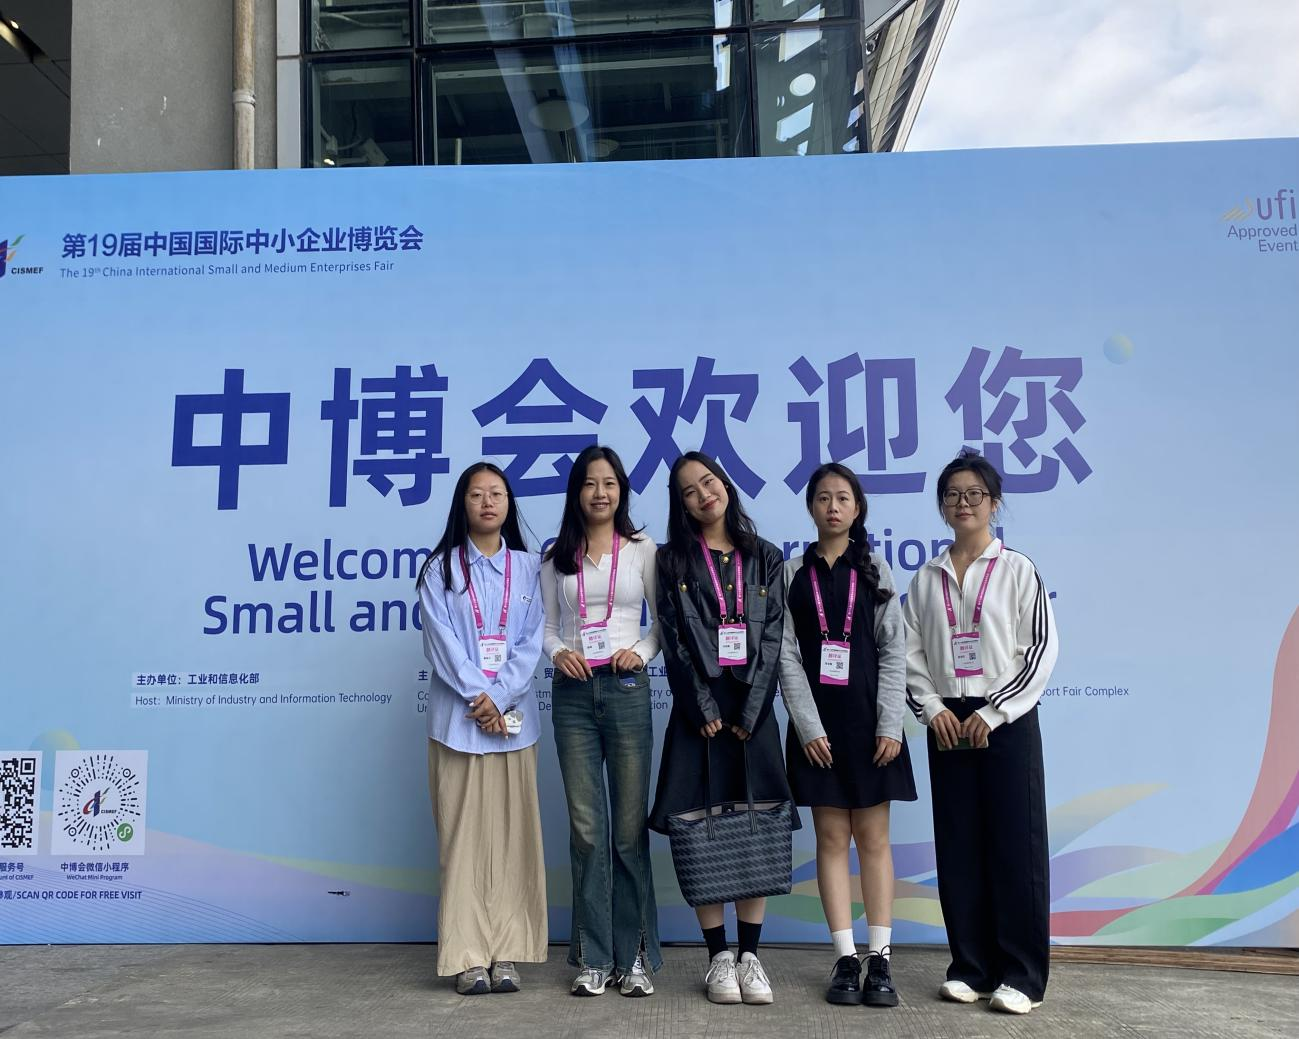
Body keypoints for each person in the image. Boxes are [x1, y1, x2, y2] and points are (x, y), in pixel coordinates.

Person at [903, 448, 1059, 1015]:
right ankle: (970, 967)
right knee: (959, 847)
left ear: (994, 503)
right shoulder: (926, 578)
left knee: (1016, 847)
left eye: (974, 494)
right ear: (942, 506)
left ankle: (1022, 976)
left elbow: (1039, 650)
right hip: (948, 722)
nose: (963, 503)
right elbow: (910, 653)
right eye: (953, 494)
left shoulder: (1017, 570)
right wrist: (932, 708)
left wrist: (992, 712)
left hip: (1004, 722)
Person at [648, 450, 796, 1006]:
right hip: (700, 715)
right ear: (681, 505)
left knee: (758, 826)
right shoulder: (672, 561)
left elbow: (774, 636)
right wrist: (703, 705)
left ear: (726, 485)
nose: (703, 494)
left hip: (752, 713)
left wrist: (752, 709)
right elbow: (673, 638)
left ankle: (751, 955)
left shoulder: (766, 556)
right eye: (689, 491)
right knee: (700, 825)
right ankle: (717, 958)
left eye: (708, 482)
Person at [778, 462, 916, 1007]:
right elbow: (786, 656)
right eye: (823, 498)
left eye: (842, 498)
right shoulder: (792, 572)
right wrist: (807, 727)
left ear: (857, 508)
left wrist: (890, 724)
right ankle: (844, 957)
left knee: (874, 841)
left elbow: (893, 650)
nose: (833, 507)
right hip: (819, 730)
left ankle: (880, 958)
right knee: (832, 840)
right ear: (810, 507)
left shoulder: (875, 569)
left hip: (870, 724)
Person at [416, 462, 547, 996]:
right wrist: (481, 696)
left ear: (509, 503)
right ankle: (468, 956)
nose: (488, 502)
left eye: (497, 493)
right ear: (462, 504)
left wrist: (500, 696)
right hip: (459, 725)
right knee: (463, 841)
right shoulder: (440, 570)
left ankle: (507, 952)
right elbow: (442, 644)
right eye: (477, 494)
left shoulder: (532, 567)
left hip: (515, 725)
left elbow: (534, 639)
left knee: (514, 840)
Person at [541, 445, 662, 998]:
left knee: (629, 830)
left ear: (622, 491)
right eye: (590, 483)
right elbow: (544, 628)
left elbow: (662, 624)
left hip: (627, 688)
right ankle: (593, 957)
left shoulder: (642, 550)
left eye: (609, 483)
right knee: (587, 831)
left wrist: (641, 652)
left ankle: (633, 956)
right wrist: (556, 653)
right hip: (572, 694)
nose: (599, 493)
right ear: (576, 492)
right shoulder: (556, 555)